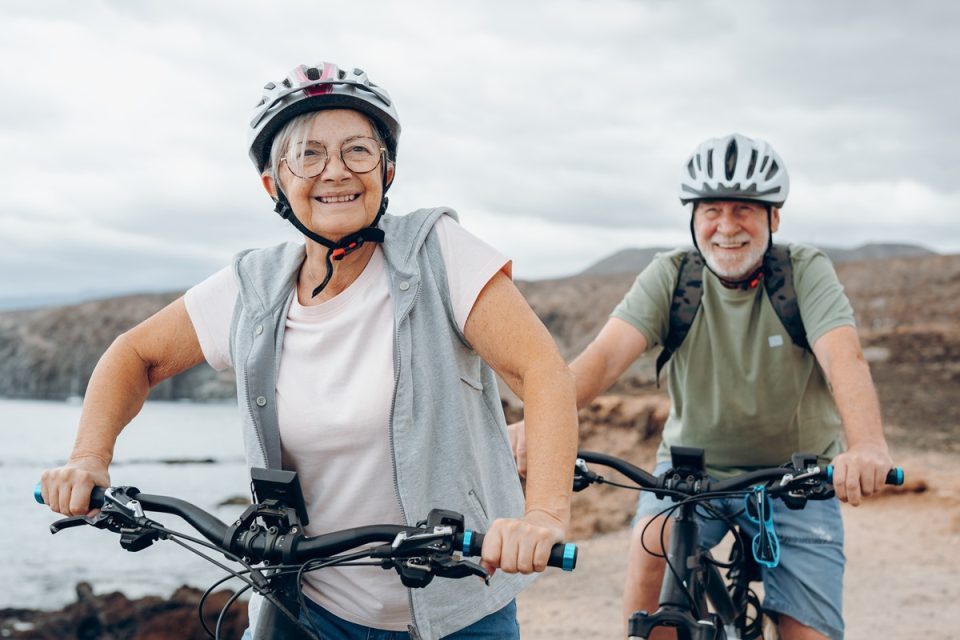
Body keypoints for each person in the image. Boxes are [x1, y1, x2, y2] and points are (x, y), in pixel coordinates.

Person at [40, 61, 578, 640]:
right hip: (306, 606)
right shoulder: (254, 286)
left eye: (357, 151)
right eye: (309, 154)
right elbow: (133, 355)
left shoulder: (439, 252)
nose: (336, 171)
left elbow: (542, 372)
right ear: (274, 184)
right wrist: (89, 458)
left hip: (459, 607)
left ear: (387, 168)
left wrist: (542, 516)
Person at [511, 134, 894, 640]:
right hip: (689, 473)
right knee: (651, 562)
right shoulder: (672, 277)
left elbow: (843, 357)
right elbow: (603, 360)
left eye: (744, 210)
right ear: (692, 218)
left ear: (773, 219)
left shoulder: (804, 272)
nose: (727, 226)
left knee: (807, 633)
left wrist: (867, 445)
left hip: (796, 477)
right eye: (712, 209)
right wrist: (542, 423)